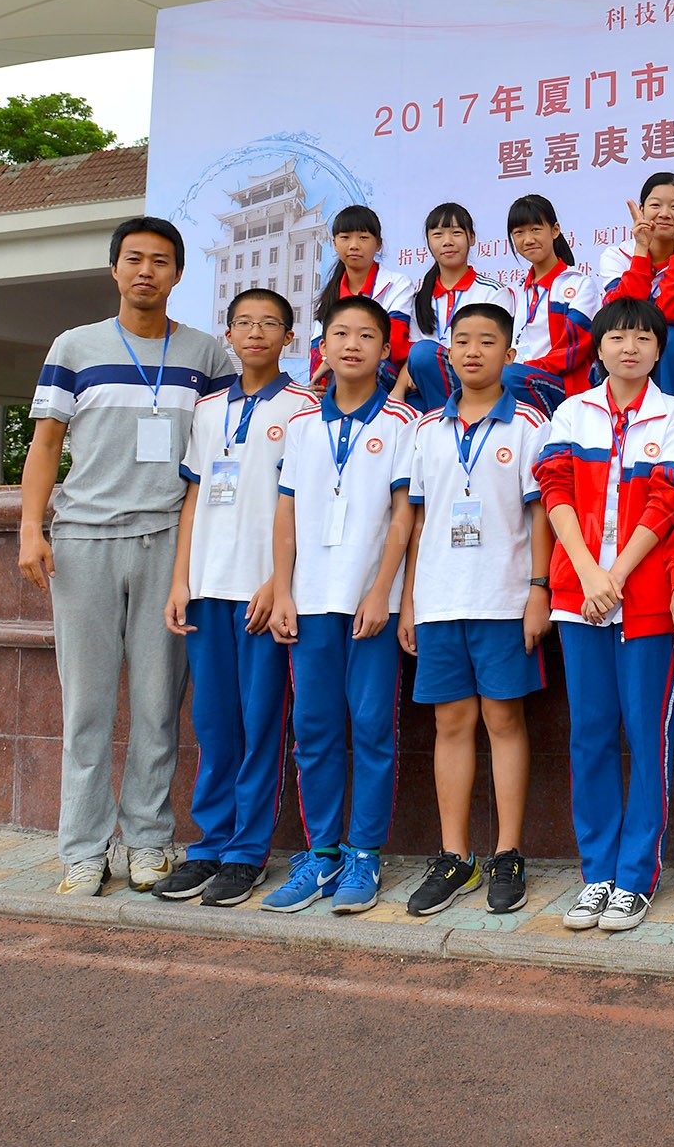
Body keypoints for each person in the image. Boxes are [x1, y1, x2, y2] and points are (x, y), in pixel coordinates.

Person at [22, 217, 236, 897]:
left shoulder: (207, 354)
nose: (147, 270)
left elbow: (238, 436)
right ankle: (84, 849)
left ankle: (147, 840)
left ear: (178, 274)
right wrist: (32, 527)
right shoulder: (74, 346)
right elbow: (47, 443)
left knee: (156, 703)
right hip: (83, 539)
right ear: (114, 269)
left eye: (161, 261)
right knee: (85, 705)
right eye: (134, 259)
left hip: (171, 544)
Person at [536, 297, 674, 934]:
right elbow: (555, 490)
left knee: (644, 735)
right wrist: (587, 571)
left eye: (642, 338)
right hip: (581, 598)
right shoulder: (572, 412)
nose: (629, 347)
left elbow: (667, 501)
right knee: (591, 735)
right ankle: (596, 873)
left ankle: (635, 877)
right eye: (616, 337)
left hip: (645, 601)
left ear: (660, 350)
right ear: (598, 347)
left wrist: (619, 575)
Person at [155, 288, 313, 907]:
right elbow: (194, 497)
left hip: (260, 591)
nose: (255, 334)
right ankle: (210, 844)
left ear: (289, 338)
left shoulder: (303, 409)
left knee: (260, 724)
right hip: (206, 590)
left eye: (269, 324)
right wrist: (179, 579)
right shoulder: (208, 408)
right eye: (244, 323)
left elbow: (298, 501)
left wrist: (279, 582)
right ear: (228, 334)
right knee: (215, 725)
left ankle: (247, 851)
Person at [263, 295, 418, 914]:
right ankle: (321, 852)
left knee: (373, 728)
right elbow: (286, 512)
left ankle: (364, 854)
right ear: (321, 348)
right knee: (315, 730)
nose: (351, 345)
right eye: (340, 334)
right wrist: (281, 587)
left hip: (368, 606)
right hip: (309, 603)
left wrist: (382, 590)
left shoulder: (405, 424)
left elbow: (405, 516)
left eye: (366, 336)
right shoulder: (302, 426)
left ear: (385, 351)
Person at [397, 301, 553, 917]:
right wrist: (409, 600)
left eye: (487, 341)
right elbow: (418, 518)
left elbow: (541, 513)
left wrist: (539, 588)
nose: (472, 351)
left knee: (505, 722)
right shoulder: (426, 429)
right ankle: (454, 855)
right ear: (448, 353)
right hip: (439, 600)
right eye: (461, 340)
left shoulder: (526, 426)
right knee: (450, 726)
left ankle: (508, 853)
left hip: (504, 597)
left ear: (508, 355)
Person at [599, 172, 674, 403]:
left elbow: (673, 314)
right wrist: (641, 251)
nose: (664, 214)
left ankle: (669, 420)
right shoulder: (617, 255)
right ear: (641, 209)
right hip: (625, 355)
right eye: (655, 205)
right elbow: (622, 313)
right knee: (615, 337)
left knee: (670, 336)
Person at [396, 202, 506, 413]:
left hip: (476, 380)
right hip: (429, 385)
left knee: (423, 354)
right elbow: (413, 352)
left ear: (471, 238)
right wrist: (398, 390)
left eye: (456, 233)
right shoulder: (420, 298)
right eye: (438, 235)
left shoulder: (493, 293)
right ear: (428, 242)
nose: (447, 242)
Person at [500, 193, 600, 412]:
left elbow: (573, 350)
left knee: (506, 376)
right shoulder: (513, 291)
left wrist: (525, 368)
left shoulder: (578, 285)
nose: (528, 239)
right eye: (519, 233)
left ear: (555, 230)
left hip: (564, 386)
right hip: (518, 376)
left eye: (536, 229)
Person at [309, 204, 412, 390]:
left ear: (378, 244)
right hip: (338, 374)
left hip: (385, 373)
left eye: (363, 238)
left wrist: (333, 362)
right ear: (334, 243)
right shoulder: (329, 297)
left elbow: (393, 342)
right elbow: (317, 349)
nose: (354, 245)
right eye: (345, 238)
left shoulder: (397, 284)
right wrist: (321, 384)